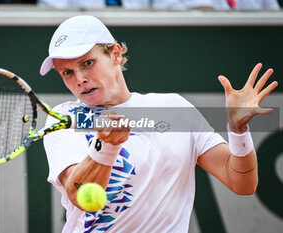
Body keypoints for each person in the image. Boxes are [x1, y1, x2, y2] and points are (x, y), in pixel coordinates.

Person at [40, 15, 278, 233]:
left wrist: (238, 131)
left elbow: (242, 183)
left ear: (115, 54)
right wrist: (105, 147)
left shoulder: (174, 109)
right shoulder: (64, 119)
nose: (80, 78)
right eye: (67, 73)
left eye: (87, 63)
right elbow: (79, 194)